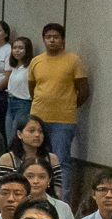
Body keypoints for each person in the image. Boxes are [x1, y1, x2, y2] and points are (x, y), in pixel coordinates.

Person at [24, 23, 89, 198]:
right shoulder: (36, 61)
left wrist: (67, 106)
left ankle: (61, 202)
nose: (52, 40)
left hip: (63, 121)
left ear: (63, 40)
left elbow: (84, 91)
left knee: (60, 162)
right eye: (48, 37)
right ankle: (32, 197)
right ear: (44, 39)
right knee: (33, 159)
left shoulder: (73, 60)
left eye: (56, 37)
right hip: (37, 118)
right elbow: (32, 89)